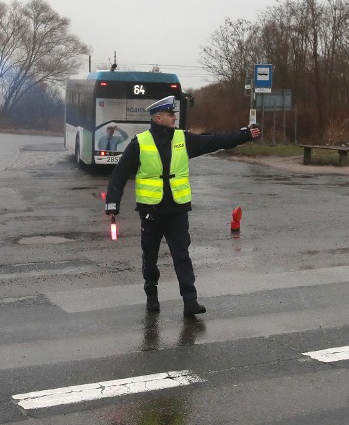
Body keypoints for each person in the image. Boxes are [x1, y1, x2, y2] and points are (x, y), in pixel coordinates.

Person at [104, 96, 260, 316]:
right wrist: (112, 204)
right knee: (150, 258)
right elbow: (119, 175)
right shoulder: (140, 143)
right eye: (170, 114)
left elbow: (214, 141)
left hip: (177, 211)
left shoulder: (182, 139)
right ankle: (152, 296)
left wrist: (244, 135)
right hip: (151, 212)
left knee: (182, 257)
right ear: (158, 118)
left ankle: (190, 301)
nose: (174, 117)